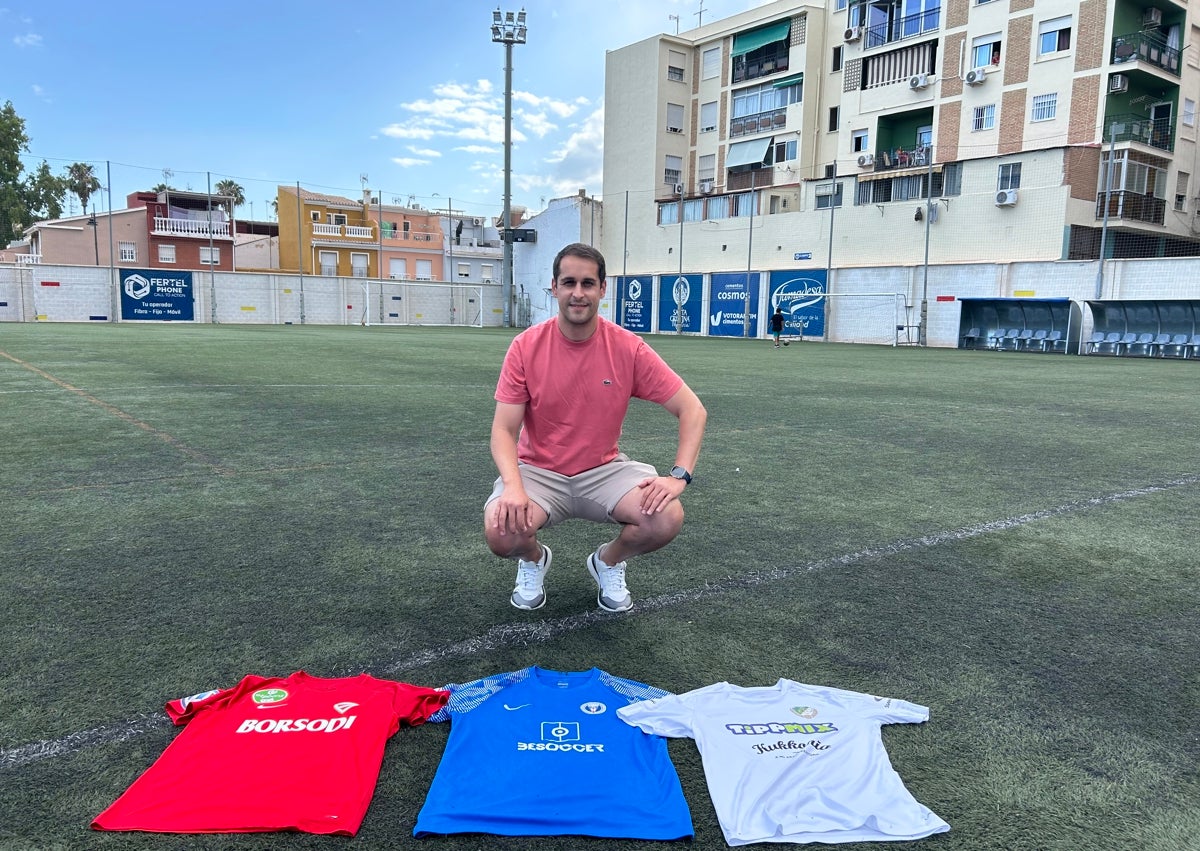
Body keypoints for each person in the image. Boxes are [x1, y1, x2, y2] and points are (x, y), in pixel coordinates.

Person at [485, 243, 707, 613]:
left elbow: (692, 410)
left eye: (588, 283)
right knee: (500, 531)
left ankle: (607, 561)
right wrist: (512, 486)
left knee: (666, 516)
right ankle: (534, 559)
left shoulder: (627, 348)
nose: (578, 293)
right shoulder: (525, 347)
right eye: (568, 282)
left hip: (603, 472)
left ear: (602, 289)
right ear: (553, 287)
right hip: (539, 472)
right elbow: (504, 431)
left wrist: (678, 476)